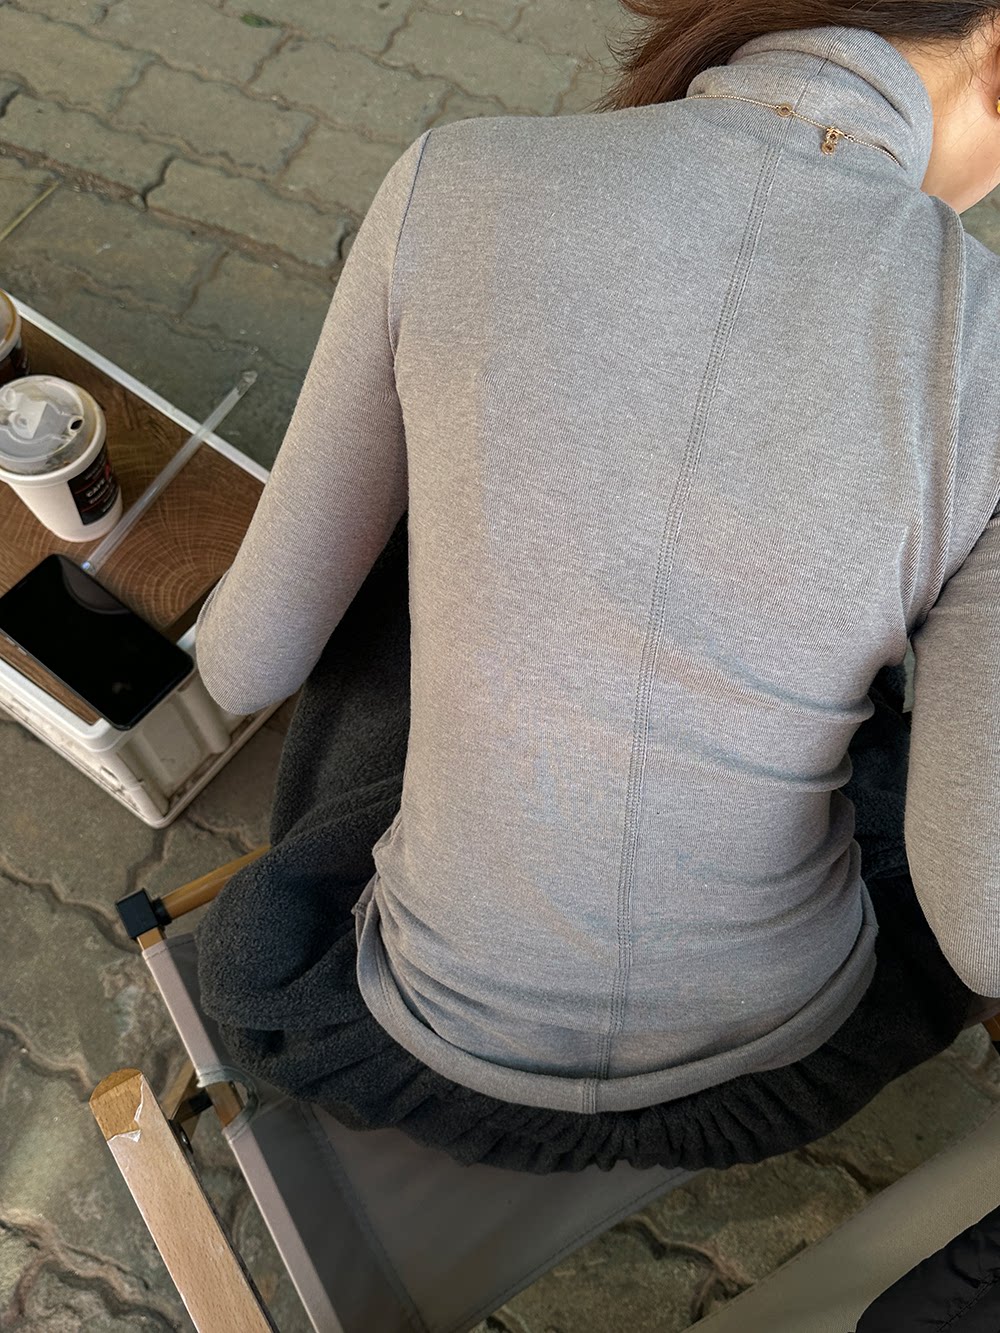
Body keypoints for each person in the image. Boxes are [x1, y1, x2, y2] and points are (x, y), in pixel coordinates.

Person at [192, 5, 1000, 1174]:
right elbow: (981, 930)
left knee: (401, 565)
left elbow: (244, 666)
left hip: (400, 1040)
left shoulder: (456, 177)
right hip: (782, 1069)